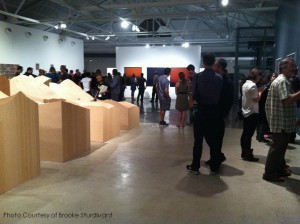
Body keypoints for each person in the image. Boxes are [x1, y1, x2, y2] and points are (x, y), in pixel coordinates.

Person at [186, 53, 223, 175]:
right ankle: (214, 167)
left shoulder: (198, 76)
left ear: (204, 62)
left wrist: (200, 103)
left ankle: (195, 166)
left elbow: (195, 94)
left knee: (198, 141)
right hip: (214, 112)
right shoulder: (219, 77)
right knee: (213, 139)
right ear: (213, 62)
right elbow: (220, 95)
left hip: (201, 111)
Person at [263, 58, 300, 182]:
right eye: (292, 66)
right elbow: (287, 100)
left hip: (281, 120)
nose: (295, 68)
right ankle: (269, 173)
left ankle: (278, 169)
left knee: (279, 148)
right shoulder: (282, 81)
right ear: (283, 67)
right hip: (281, 122)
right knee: (277, 148)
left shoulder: (281, 80)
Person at [205, 58, 234, 166]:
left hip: (218, 115)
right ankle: (217, 156)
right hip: (210, 113)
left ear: (220, 67)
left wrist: (223, 114)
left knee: (217, 138)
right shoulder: (215, 80)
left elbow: (229, 100)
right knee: (208, 135)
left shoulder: (227, 82)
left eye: (215, 65)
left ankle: (215, 159)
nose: (212, 67)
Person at [240, 68, 263, 162]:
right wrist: (261, 92)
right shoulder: (253, 85)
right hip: (252, 112)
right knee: (249, 135)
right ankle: (248, 154)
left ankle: (243, 152)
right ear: (257, 76)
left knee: (245, 133)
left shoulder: (245, 84)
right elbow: (256, 99)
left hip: (245, 111)